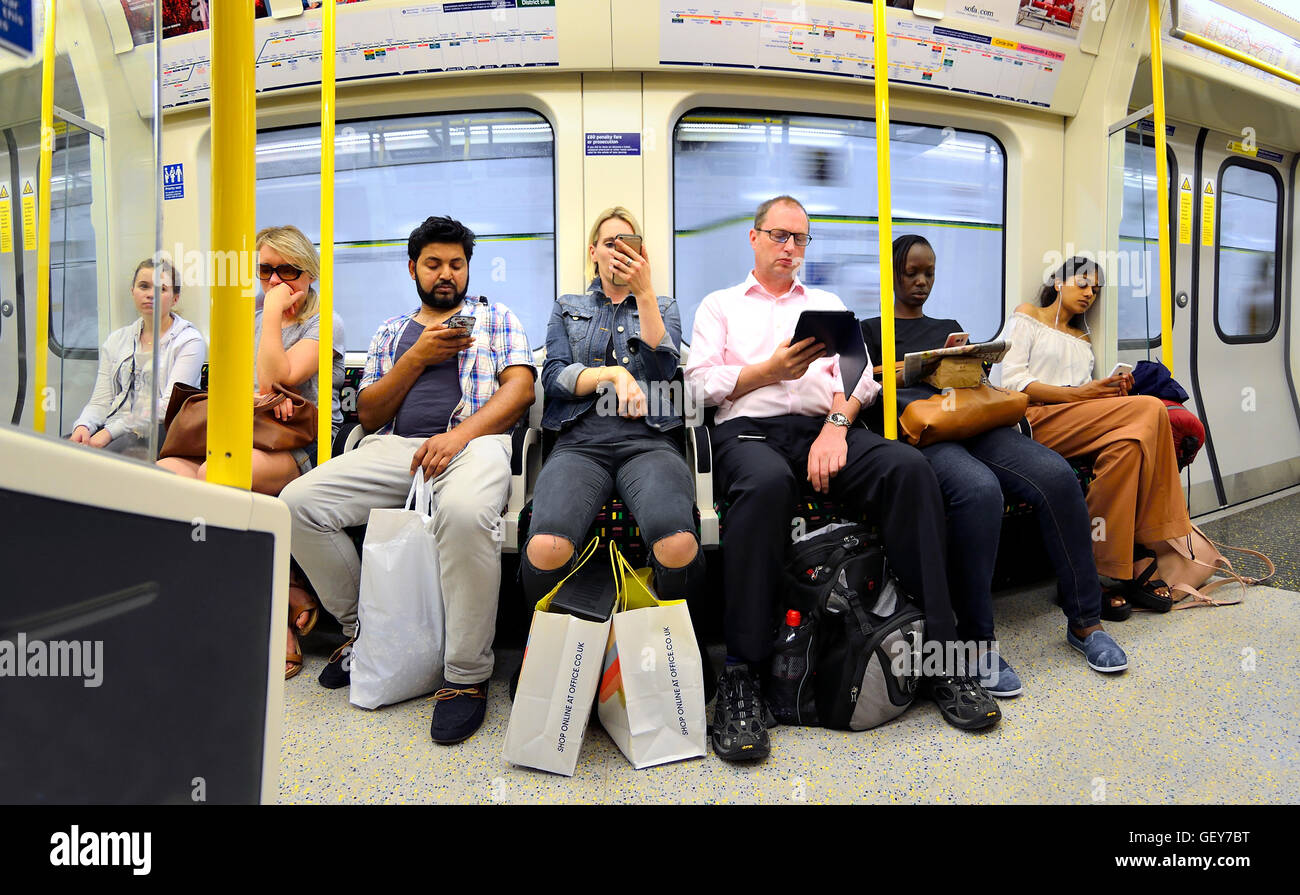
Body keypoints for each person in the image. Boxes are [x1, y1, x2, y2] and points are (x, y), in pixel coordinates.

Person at [685, 195, 1001, 762]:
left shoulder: (828, 306)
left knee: (908, 470)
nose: (790, 248)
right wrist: (768, 372)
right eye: (780, 236)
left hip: (822, 426)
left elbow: (859, 382)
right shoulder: (720, 306)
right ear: (753, 239)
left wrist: (835, 427)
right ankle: (743, 674)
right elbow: (698, 388)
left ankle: (941, 657)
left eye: (801, 239)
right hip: (749, 430)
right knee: (764, 489)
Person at [278, 215, 535, 745]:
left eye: (456, 265)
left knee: (465, 516)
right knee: (296, 503)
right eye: (434, 264)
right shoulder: (391, 332)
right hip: (395, 448)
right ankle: (364, 633)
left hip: (475, 443)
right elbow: (369, 413)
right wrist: (416, 358)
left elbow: (520, 391)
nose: (447, 274)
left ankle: (465, 676)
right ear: (413, 267)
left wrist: (460, 435)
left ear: (468, 269)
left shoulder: (495, 318)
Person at [862, 236, 1127, 693]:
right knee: (980, 491)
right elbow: (862, 394)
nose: (922, 282)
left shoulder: (949, 325)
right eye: (912, 273)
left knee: (1058, 476)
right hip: (925, 433)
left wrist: (966, 361)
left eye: (929, 272)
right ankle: (978, 642)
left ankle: (1086, 621)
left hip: (976, 423)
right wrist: (912, 371)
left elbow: (979, 387)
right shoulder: (871, 331)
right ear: (892, 274)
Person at [156, 225, 345, 680]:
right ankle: (281, 590)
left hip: (301, 441)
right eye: (266, 271)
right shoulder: (249, 316)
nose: (276, 281)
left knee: (215, 478)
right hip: (252, 429)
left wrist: (276, 315)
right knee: (168, 474)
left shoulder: (324, 321)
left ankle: (271, 620)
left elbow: (276, 375)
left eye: (288, 271)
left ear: (310, 273)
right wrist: (262, 390)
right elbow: (243, 385)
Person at [521, 206, 704, 646]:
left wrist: (644, 294)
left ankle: (677, 651)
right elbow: (555, 376)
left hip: (650, 440)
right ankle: (545, 653)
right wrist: (612, 375)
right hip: (581, 441)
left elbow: (663, 371)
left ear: (643, 254)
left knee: (677, 545)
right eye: (610, 242)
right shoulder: (569, 307)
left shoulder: (662, 305)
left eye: (629, 242)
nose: (619, 250)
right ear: (593, 253)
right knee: (547, 547)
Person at [992, 255, 1194, 613]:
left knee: (1128, 447)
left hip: (1074, 419)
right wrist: (1080, 395)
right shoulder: (1028, 316)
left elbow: (1085, 394)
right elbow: (1008, 381)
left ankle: (1094, 571)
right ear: (1058, 282)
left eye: (1096, 290)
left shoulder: (1082, 337)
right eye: (1082, 283)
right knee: (1149, 407)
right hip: (1031, 420)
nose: (1089, 294)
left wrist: (1106, 392)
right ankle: (1148, 543)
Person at [70, 258, 205, 460]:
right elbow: (100, 401)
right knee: (58, 454)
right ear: (133, 291)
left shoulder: (188, 341)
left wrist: (109, 433)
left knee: (90, 462)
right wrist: (83, 425)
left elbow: (167, 407)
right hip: (112, 425)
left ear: (175, 298)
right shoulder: (117, 340)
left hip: (156, 432)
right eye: (144, 286)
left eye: (162, 289)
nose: (151, 294)